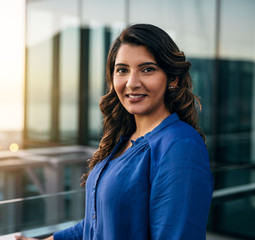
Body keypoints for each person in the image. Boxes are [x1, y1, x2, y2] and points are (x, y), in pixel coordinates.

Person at [16, 23, 213, 240]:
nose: (132, 82)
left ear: (172, 79)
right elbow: (100, 222)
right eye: (122, 70)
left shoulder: (180, 145)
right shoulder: (125, 140)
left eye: (147, 69)